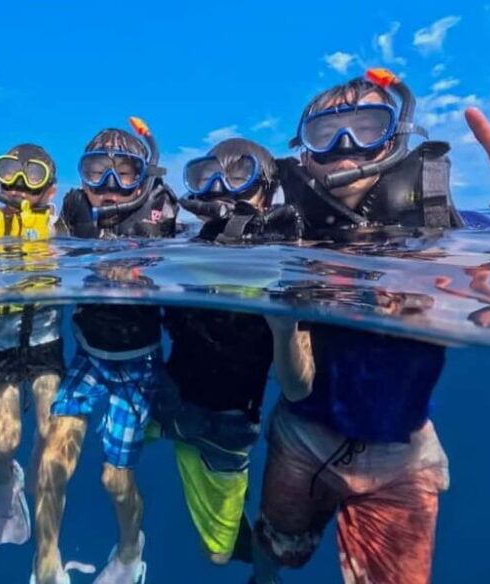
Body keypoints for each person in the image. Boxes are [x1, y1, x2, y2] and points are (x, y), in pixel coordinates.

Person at [251, 70, 455, 584]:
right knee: (281, 548)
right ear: (305, 156)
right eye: (326, 135)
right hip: (302, 435)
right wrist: (283, 328)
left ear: (394, 139)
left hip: (404, 452)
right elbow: (295, 386)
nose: (346, 149)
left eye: (367, 128)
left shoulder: (440, 229)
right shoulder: (287, 241)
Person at [32, 118, 178, 584]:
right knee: (51, 463)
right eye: (97, 172)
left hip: (138, 364)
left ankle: (131, 550)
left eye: (124, 173)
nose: (109, 186)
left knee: (114, 481)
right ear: (83, 178)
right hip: (89, 358)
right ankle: (45, 561)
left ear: (143, 177)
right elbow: (46, 250)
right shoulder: (74, 210)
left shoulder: (160, 211)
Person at [150, 138, 285, 565]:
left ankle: (258, 557)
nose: (219, 190)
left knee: (218, 556)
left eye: (240, 177)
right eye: (206, 178)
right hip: (170, 401)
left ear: (267, 193)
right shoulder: (183, 246)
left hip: (226, 429)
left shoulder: (283, 251)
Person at [0, 144, 64, 548]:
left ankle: (37, 479)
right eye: (10, 173)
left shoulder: (56, 225)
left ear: (49, 190)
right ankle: (3, 478)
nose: (19, 184)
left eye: (32, 176)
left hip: (44, 340)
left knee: (49, 430)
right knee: (5, 441)